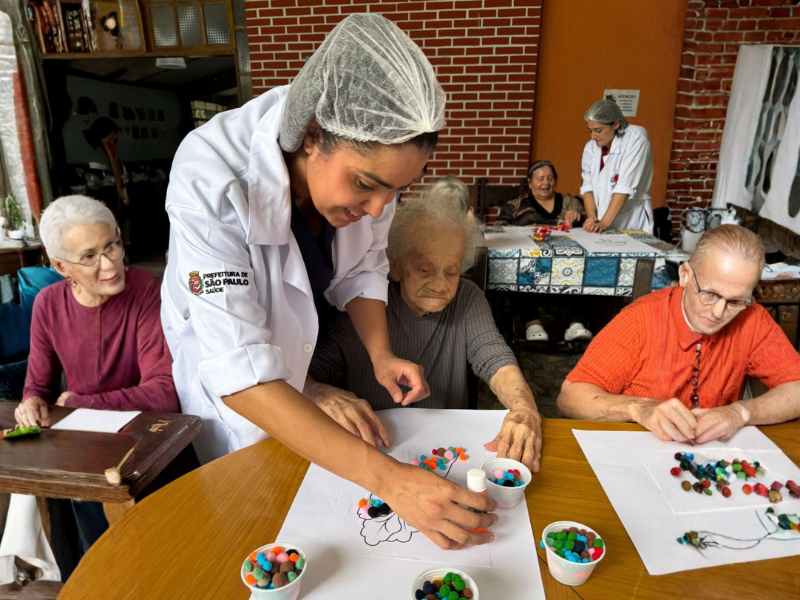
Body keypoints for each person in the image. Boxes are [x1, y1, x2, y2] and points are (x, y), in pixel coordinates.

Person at [160, 14, 497, 551]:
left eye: (394, 192)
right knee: (258, 528)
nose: (378, 208)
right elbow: (240, 372)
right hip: (238, 401)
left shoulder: (371, 179)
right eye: (366, 185)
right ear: (312, 134)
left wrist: (381, 354)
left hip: (293, 376)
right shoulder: (213, 177)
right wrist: (392, 482)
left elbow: (364, 269)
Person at [306, 185, 543, 472]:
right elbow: (306, 377)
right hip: (375, 452)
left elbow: (495, 359)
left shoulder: (467, 298)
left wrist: (524, 408)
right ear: (394, 267)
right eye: (424, 270)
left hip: (449, 452)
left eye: (451, 272)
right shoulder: (359, 306)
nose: (441, 285)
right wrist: (321, 393)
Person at [15, 194, 179, 555]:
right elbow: (38, 384)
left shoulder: (146, 291)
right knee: (95, 551)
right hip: (83, 450)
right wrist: (31, 401)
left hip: (142, 444)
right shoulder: (48, 304)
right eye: (89, 257)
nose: (109, 265)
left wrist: (83, 403)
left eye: (112, 246)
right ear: (61, 266)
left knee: (152, 551)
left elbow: (164, 393)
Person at [557, 225, 800, 444]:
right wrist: (638, 408)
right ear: (685, 275)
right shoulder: (640, 319)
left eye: (735, 301)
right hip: (636, 453)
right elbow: (570, 398)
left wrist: (740, 412)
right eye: (710, 294)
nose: (718, 313)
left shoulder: (752, 318)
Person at [494, 160, 591, 343]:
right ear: (530, 183)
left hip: (565, 263)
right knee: (520, 271)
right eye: (540, 179)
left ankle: (576, 325)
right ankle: (533, 324)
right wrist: (520, 229)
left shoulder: (570, 202)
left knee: (583, 270)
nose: (545, 183)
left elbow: (587, 222)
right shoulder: (515, 206)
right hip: (531, 263)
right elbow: (498, 227)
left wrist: (578, 216)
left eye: (550, 178)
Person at [580, 100, 653, 234]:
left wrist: (604, 223)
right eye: (590, 131)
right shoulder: (590, 147)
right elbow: (587, 187)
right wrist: (592, 219)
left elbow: (624, 186)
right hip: (602, 223)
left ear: (616, 124)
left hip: (632, 221)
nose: (593, 136)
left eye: (598, 130)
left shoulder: (636, 137)